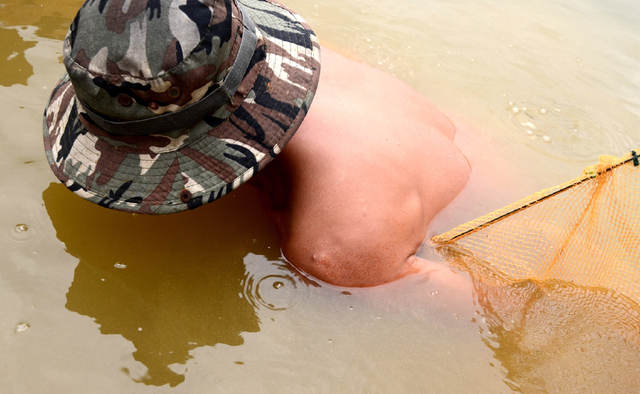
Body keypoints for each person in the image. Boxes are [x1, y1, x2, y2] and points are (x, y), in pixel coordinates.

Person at [43, 0, 469, 287]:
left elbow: (479, 303)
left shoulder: (333, 247)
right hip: (461, 143)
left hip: (473, 220)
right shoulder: (226, 37)